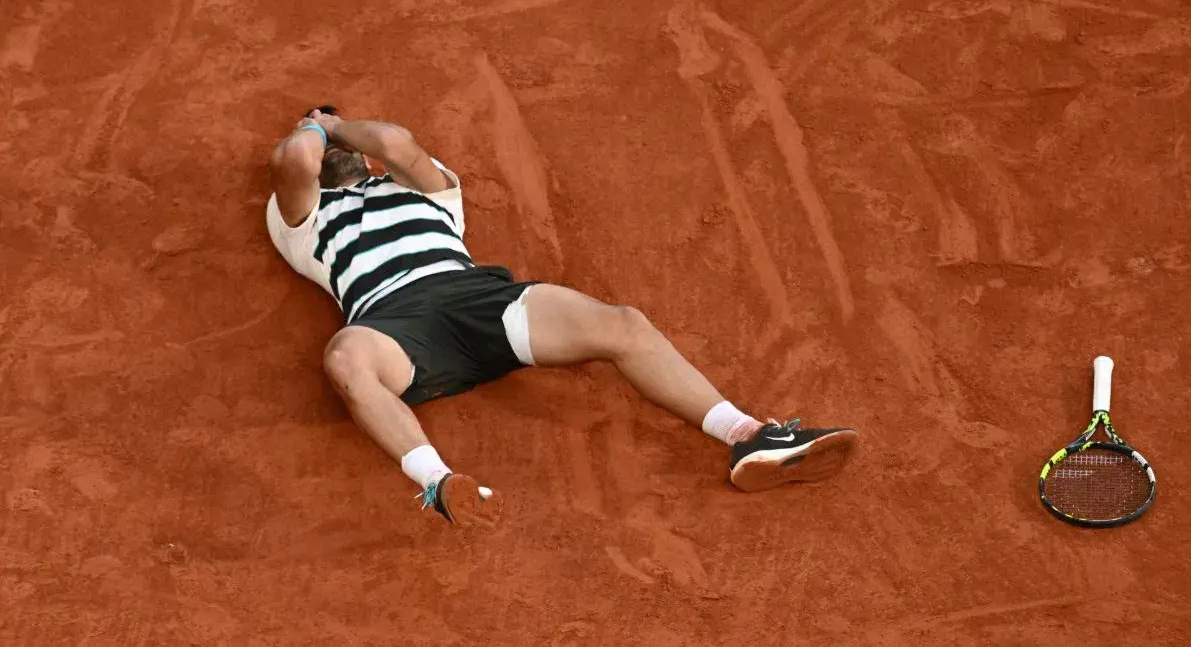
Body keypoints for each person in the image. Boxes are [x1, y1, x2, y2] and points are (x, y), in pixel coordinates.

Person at [265, 106, 856, 526]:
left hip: (474, 296)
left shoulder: (427, 189)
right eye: (324, 142)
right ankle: (440, 484)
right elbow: (295, 159)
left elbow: (394, 144)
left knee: (622, 323)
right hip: (392, 323)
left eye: (341, 139)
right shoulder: (302, 222)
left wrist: (332, 125)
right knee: (344, 357)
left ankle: (748, 435)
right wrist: (317, 127)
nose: (332, 147)